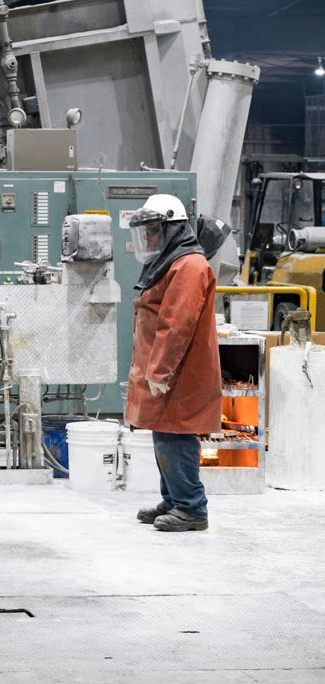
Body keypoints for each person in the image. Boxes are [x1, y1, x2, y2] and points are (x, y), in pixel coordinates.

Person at [125, 194, 222, 532]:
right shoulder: (171, 262)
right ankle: (174, 499)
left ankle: (192, 508)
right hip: (165, 370)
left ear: (173, 229)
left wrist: (160, 370)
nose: (150, 238)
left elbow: (176, 323)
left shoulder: (189, 265)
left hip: (178, 373)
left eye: (154, 230)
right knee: (163, 433)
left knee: (175, 436)